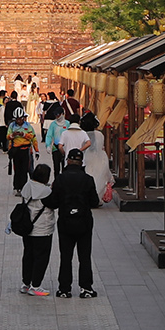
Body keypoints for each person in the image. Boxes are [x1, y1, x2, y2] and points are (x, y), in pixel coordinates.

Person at [51, 147, 100, 297]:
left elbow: (54, 202)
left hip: (65, 222)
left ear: (68, 161)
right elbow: (94, 202)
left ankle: (64, 289)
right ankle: (86, 288)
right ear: (81, 162)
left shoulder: (60, 179)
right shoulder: (88, 179)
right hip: (84, 222)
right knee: (84, 256)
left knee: (66, 256)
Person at [18, 162, 56, 295]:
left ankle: (26, 283)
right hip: (42, 230)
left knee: (28, 255)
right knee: (41, 257)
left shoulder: (27, 186)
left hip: (27, 228)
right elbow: (54, 204)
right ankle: (36, 285)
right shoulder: (46, 192)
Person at [7, 105, 39, 190]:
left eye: (21, 119)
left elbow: (33, 137)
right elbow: (7, 137)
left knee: (25, 170)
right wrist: (13, 135)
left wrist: (37, 150)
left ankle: (24, 188)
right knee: (17, 170)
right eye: (17, 119)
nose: (19, 121)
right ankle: (17, 187)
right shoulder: (12, 126)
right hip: (16, 151)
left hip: (26, 151)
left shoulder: (28, 126)